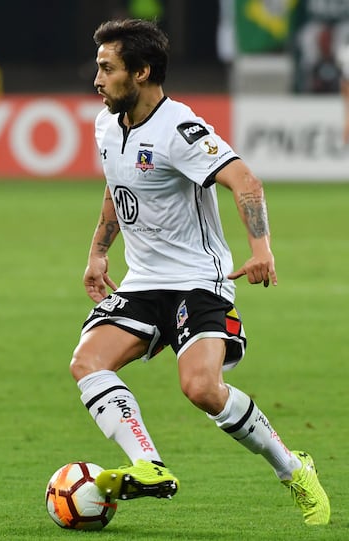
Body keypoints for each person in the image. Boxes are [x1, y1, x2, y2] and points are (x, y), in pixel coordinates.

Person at [70, 18, 330, 525]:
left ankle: (292, 468)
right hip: (144, 280)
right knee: (87, 361)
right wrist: (99, 251)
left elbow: (245, 180)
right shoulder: (107, 124)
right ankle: (149, 464)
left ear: (141, 72)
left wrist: (262, 249)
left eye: (108, 68)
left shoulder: (180, 130)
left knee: (202, 389)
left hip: (197, 279)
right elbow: (115, 187)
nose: (97, 80)